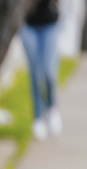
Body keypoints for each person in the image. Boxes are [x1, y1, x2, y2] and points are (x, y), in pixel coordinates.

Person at [21, 0, 62, 140]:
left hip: (49, 24)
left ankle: (51, 107)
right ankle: (38, 117)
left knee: (49, 72)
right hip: (28, 25)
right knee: (35, 72)